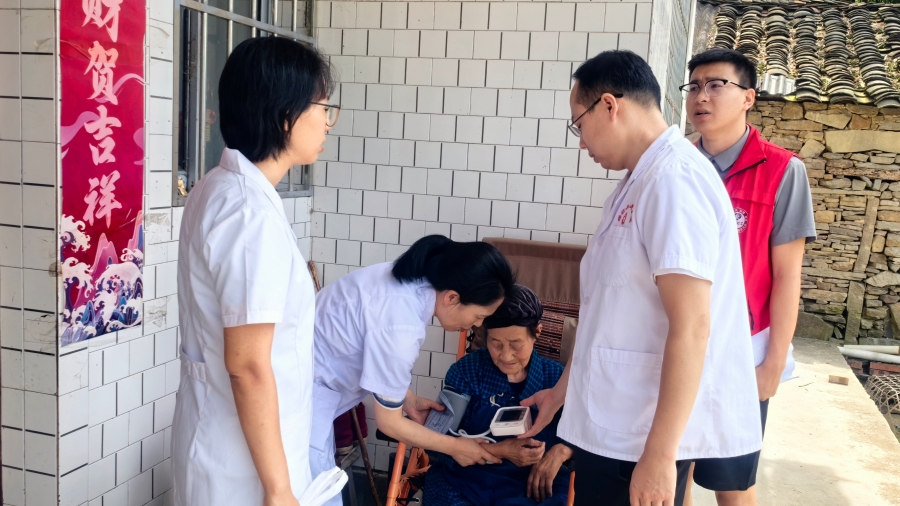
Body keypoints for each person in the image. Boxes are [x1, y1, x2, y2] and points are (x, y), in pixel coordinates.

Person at [518, 50, 762, 506]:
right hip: (616, 424)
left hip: (639, 437)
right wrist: (562, 393)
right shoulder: (637, 183)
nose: (581, 142)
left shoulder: (674, 181)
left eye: (579, 124)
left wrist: (660, 455)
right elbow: (607, 314)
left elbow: (693, 326)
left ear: (610, 106)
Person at [172, 37, 338, 506]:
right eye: (322, 107)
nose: (328, 121)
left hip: (229, 443)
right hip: (243, 471)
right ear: (285, 115)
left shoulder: (220, 187)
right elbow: (246, 364)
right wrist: (279, 489)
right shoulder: (248, 212)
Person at [682, 49, 816, 506]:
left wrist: (773, 364)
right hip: (678, 340)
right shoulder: (678, 167)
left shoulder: (782, 171)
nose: (701, 96)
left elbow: (788, 277)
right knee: (672, 464)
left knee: (732, 479)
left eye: (716, 85)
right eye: (694, 86)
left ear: (748, 97)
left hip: (743, 349)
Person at [309, 235, 515, 504]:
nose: (476, 325)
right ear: (452, 297)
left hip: (308, 391)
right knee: (314, 496)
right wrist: (455, 447)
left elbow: (374, 351)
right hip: (298, 400)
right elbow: (389, 423)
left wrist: (407, 399)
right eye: (479, 316)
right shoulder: (403, 324)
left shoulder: (409, 284)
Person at [424, 285, 573, 506]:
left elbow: (587, 437)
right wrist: (499, 450)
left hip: (533, 485)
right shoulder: (467, 371)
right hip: (468, 481)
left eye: (516, 345)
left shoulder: (558, 380)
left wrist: (562, 451)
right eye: (496, 344)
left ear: (537, 333)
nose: (506, 356)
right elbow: (435, 441)